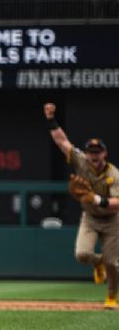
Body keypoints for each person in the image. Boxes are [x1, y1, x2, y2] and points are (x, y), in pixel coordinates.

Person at [44, 102, 119, 309]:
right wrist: (51, 119)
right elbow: (62, 142)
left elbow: (117, 203)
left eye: (98, 152)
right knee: (82, 254)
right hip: (91, 218)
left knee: (113, 263)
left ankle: (112, 297)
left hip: (112, 221)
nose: (94, 155)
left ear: (105, 153)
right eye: (91, 152)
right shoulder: (82, 161)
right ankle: (97, 262)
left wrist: (96, 199)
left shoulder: (113, 174)